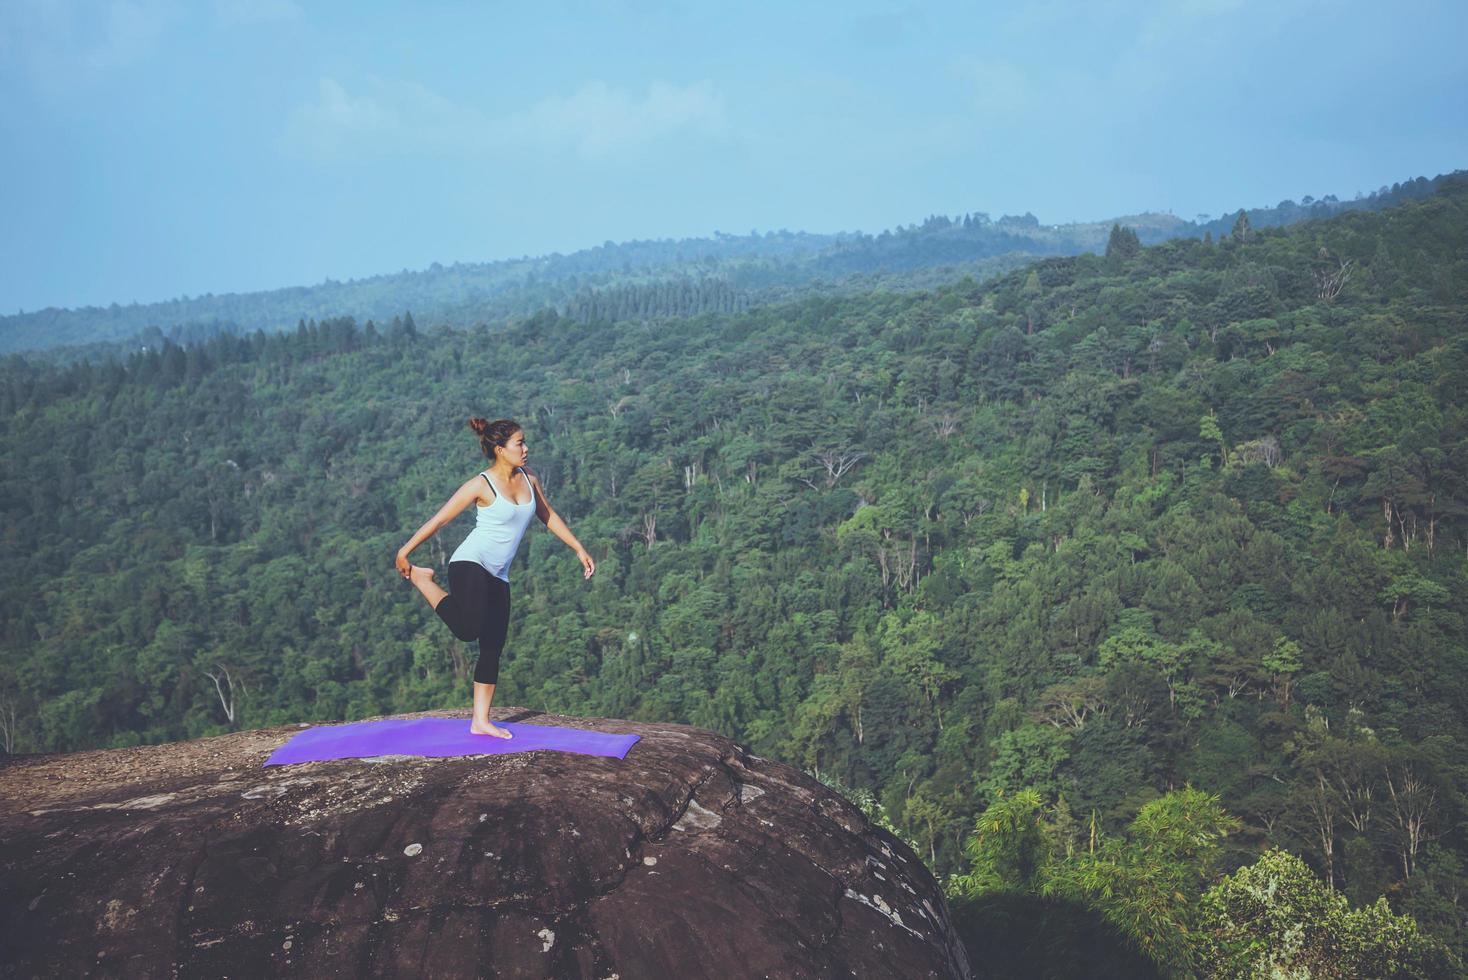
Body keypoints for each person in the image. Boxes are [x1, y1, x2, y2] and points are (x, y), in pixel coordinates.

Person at [396, 417, 594, 738]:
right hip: (470, 562)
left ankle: (480, 721)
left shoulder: (530, 478)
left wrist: (578, 548)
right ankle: (422, 579)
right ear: (501, 450)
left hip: (499, 573)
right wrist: (404, 551)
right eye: (519, 443)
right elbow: (439, 520)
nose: (526, 448)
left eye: (524, 442)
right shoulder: (481, 485)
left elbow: (547, 514)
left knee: (493, 645)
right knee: (468, 629)